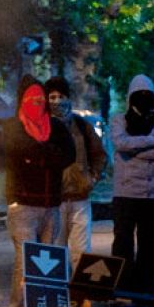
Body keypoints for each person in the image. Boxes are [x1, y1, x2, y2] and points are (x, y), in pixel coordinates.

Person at [2, 74, 76, 307]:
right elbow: (17, 150)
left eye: (40, 98)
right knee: (26, 263)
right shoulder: (13, 127)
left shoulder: (55, 127)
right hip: (22, 206)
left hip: (51, 205)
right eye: (31, 98)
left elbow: (67, 156)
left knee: (50, 262)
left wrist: (37, 156)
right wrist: (46, 157)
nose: (37, 102)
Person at [110, 74, 154, 295]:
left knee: (149, 246)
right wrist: (153, 142)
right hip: (126, 194)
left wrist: (136, 150)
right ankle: (122, 288)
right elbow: (121, 144)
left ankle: (144, 290)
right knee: (123, 244)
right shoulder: (120, 120)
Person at [46, 76, 107, 268]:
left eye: (61, 96)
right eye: (52, 96)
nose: (57, 101)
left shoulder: (81, 125)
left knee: (81, 253)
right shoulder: (42, 127)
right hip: (54, 201)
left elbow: (99, 155)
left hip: (80, 198)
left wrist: (92, 178)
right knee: (56, 253)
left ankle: (80, 296)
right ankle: (60, 295)